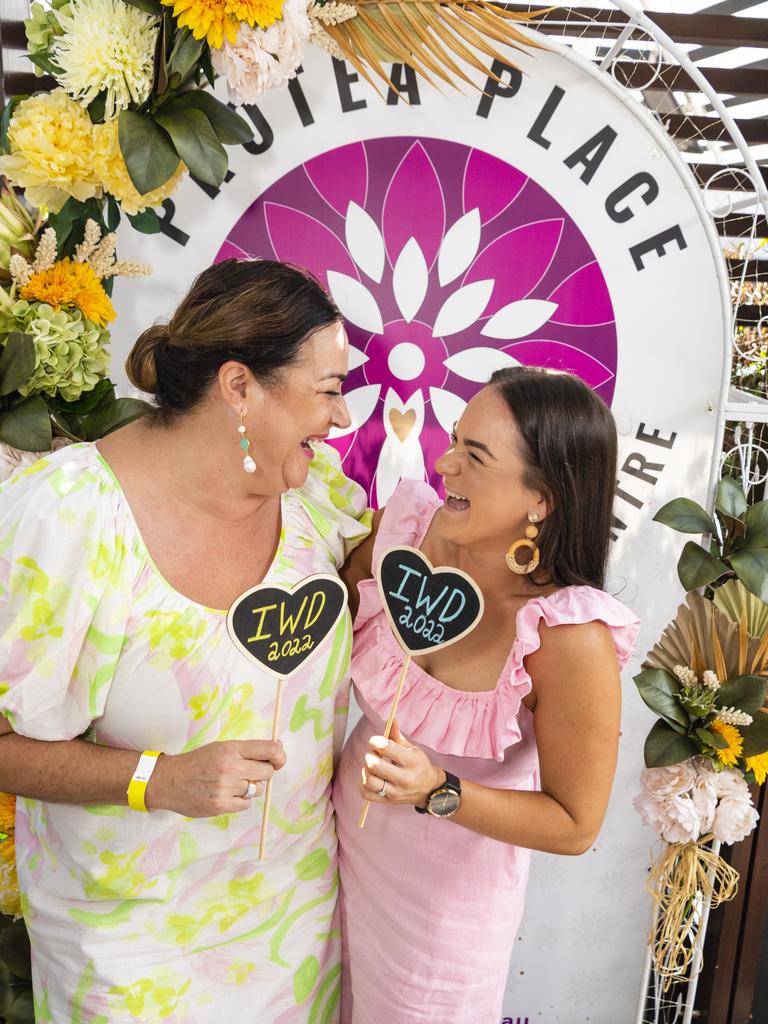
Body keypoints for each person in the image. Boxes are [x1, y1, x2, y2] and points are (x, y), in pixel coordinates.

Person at [0, 259, 371, 1023]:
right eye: (328, 389)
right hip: (128, 947)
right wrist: (157, 780)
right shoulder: (66, 515)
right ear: (239, 386)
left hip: (294, 927)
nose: (341, 417)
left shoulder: (317, 497)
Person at [333, 366, 641, 1024]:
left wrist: (436, 789)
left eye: (474, 456)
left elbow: (575, 824)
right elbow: (319, 620)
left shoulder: (568, 634)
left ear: (543, 498)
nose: (444, 463)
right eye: (455, 441)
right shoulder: (407, 532)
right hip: (328, 861)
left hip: (443, 920)